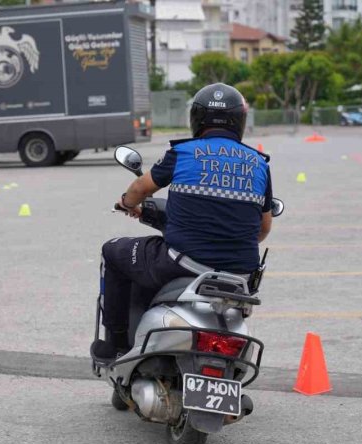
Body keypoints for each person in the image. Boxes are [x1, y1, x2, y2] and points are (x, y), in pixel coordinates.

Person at [91, 82, 274, 361]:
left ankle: (115, 344)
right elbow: (263, 229)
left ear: (197, 118)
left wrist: (127, 203)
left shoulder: (184, 152)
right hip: (241, 274)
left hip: (184, 262)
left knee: (113, 251)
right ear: (239, 120)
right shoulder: (259, 163)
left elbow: (141, 187)